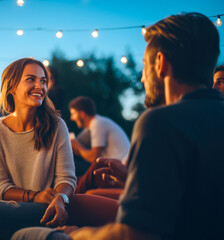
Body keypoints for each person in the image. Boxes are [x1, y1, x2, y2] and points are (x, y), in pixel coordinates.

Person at [12, 12, 224, 240]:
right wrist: (135, 176)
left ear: (161, 63)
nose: (142, 78)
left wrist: (79, 234)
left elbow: (133, 234)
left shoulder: (161, 121)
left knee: (24, 235)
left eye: (144, 66)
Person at [0, 58, 77, 239]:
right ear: (11, 87)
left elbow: (67, 178)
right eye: (30, 79)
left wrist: (61, 198)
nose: (39, 86)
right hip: (15, 205)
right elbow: (1, 186)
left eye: (43, 81)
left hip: (47, 208)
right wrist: (35, 195)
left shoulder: (57, 125)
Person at [69, 96, 130, 176]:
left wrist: (77, 145)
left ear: (83, 114)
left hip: (119, 167)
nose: (71, 118)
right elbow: (83, 154)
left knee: (71, 167)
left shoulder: (97, 123)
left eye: (73, 114)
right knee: (73, 165)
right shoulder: (96, 124)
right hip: (116, 165)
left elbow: (93, 158)